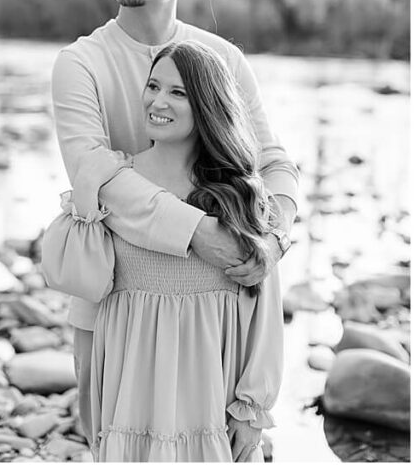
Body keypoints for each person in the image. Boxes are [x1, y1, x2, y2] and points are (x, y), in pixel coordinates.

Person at [50, 0, 298, 456]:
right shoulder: (81, 62)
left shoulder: (223, 60)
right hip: (119, 291)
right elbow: (98, 178)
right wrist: (203, 235)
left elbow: (273, 164)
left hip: (215, 301)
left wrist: (270, 241)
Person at [66, 41, 283, 461]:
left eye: (177, 92)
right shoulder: (114, 184)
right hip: (131, 403)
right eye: (153, 87)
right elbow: (91, 303)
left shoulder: (238, 196)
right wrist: (90, 400)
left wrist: (252, 409)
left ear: (206, 103)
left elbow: (265, 315)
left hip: (212, 404)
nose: (157, 101)